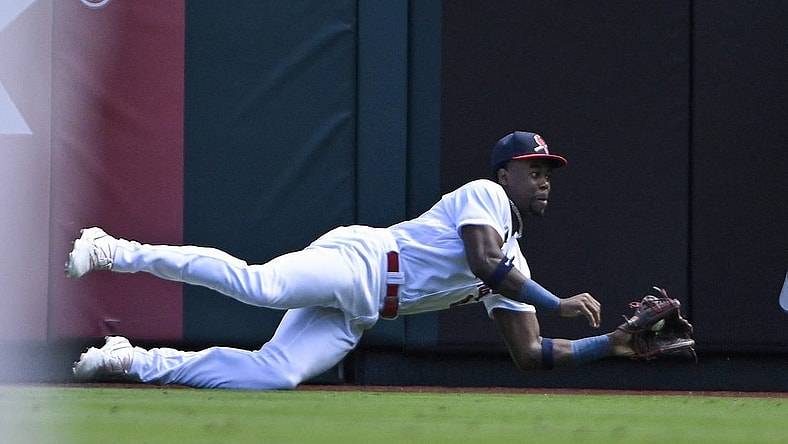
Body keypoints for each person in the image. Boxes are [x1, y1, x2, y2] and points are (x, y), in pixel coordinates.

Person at [67, 131, 694, 390]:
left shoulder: (517, 263)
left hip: (361, 312)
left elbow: (531, 353)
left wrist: (607, 345)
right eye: (534, 169)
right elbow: (481, 262)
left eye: (549, 171)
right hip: (363, 262)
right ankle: (114, 248)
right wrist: (558, 303)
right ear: (506, 171)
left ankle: (133, 359)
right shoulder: (487, 197)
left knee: (275, 375)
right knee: (259, 286)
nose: (543, 179)